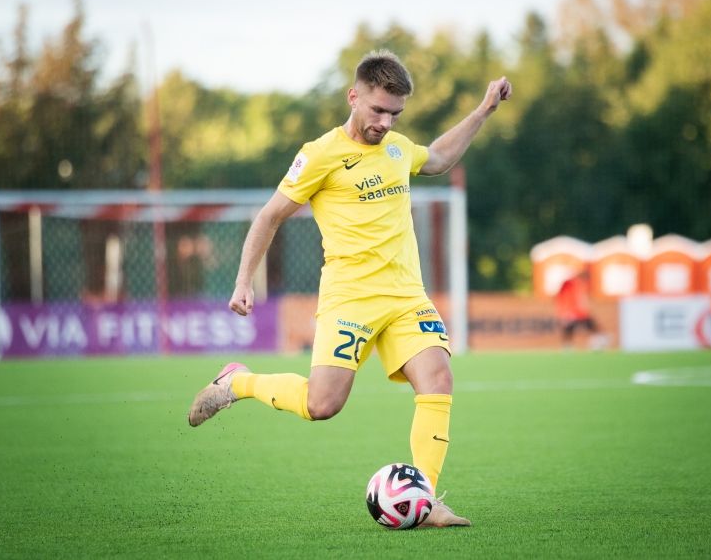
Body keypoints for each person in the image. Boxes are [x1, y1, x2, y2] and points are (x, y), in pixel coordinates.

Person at [188, 50, 511, 528]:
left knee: (438, 380)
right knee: (322, 405)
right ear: (353, 97)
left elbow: (439, 158)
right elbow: (269, 216)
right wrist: (242, 281)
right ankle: (237, 382)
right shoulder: (320, 154)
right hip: (350, 297)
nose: (386, 123)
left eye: (395, 114)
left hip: (406, 296)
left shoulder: (398, 148)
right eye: (378, 110)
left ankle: (424, 499)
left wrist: (484, 110)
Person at [555, 270, 606, 350]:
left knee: (590, 325)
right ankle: (567, 347)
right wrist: (563, 311)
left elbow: (581, 299)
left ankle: (599, 339)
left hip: (580, 312)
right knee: (569, 329)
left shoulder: (580, 285)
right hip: (570, 312)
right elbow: (562, 297)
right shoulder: (569, 283)